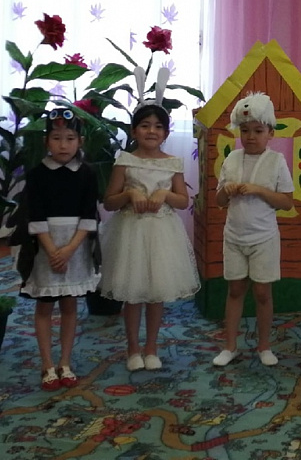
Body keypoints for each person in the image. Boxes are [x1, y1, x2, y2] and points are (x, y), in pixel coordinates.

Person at [101, 67, 200, 372]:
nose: (151, 131)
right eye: (145, 125)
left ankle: (152, 347)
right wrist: (130, 194)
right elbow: (109, 201)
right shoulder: (125, 160)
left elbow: (183, 201)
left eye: (158, 126)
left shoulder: (172, 163)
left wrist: (165, 195)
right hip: (131, 231)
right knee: (132, 293)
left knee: (156, 293)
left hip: (162, 233)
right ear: (134, 131)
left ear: (166, 133)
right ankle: (133, 348)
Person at [16, 108, 101, 391]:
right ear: (46, 142)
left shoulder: (87, 173)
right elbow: (35, 215)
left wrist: (69, 250)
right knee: (44, 305)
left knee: (69, 304)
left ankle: (65, 362)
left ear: (80, 141)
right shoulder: (37, 175)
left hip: (75, 246)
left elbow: (89, 215)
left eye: (70, 138)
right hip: (45, 245)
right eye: (56, 138)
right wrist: (53, 250)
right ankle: (47, 364)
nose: (63, 145)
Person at [213, 92, 294, 367]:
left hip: (264, 238)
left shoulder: (276, 161)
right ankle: (230, 346)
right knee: (235, 290)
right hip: (234, 236)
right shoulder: (232, 159)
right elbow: (219, 201)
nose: (250, 137)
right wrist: (227, 190)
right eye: (245, 130)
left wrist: (259, 190)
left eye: (258, 131)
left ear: (271, 133)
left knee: (262, 293)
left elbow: (286, 202)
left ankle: (264, 346)